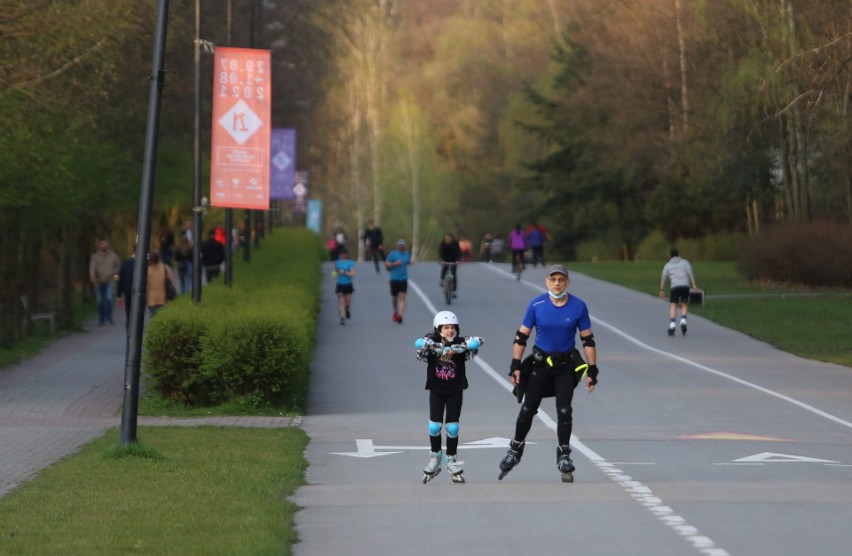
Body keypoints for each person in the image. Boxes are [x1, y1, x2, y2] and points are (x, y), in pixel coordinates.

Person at [498, 264, 599, 483]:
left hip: (564, 368)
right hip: (539, 366)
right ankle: (515, 449)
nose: (557, 283)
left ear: (567, 282)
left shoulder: (578, 306)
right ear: (547, 281)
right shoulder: (536, 304)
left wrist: (592, 370)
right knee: (528, 409)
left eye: (561, 279)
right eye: (553, 279)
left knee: (564, 410)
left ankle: (564, 455)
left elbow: (587, 340)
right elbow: (521, 337)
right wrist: (515, 365)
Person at [414, 311, 484, 484]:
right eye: (446, 328)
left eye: (453, 328)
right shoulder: (433, 343)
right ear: (438, 329)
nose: (450, 331)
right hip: (436, 389)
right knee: (434, 426)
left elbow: (479, 340)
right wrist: (430, 344)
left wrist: (465, 346)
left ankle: (451, 460)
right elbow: (418, 342)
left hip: (455, 389)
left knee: (452, 427)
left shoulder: (461, 342)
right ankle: (434, 457)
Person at [659, 247, 698, 336]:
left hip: (675, 286)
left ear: (670, 255)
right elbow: (690, 272)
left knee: (673, 305)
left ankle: (672, 325)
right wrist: (694, 284)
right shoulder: (685, 262)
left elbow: (663, 277)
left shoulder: (668, 265)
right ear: (678, 254)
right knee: (684, 304)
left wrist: (662, 290)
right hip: (685, 285)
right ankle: (683, 320)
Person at [89, 239, 121, 326]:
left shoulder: (113, 255)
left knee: (109, 298)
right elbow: (92, 268)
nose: (104, 246)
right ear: (99, 246)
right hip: (98, 282)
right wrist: (93, 277)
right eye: (102, 245)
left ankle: (109, 317)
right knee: (100, 301)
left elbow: (118, 266)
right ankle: (101, 318)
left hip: (109, 281)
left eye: (105, 244)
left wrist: (112, 273)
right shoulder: (95, 256)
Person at [385, 239, 412, 324]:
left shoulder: (407, 254)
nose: (401, 247)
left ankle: (400, 315)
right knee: (394, 298)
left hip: (403, 278)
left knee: (403, 296)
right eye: (400, 245)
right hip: (394, 278)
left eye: (402, 245)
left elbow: (407, 262)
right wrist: (395, 264)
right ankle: (395, 311)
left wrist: (410, 262)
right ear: (397, 246)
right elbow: (387, 264)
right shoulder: (393, 254)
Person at [146, 251, 177, 318]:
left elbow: (147, 287)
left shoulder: (148, 271)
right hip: (164, 298)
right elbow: (172, 281)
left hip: (152, 300)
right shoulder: (165, 268)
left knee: (154, 320)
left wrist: (146, 299)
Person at [333, 247, 356, 325]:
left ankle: (346, 309)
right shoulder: (337, 262)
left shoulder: (350, 263)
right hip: (340, 285)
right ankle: (342, 318)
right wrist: (335, 273)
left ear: (346, 255)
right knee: (341, 302)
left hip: (348, 285)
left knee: (348, 303)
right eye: (341, 254)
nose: (342, 255)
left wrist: (344, 272)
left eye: (344, 254)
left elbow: (353, 274)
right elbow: (335, 273)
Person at [116, 249, 135, 331]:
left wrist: (119, 295)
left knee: (129, 312)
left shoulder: (125, 264)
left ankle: (129, 328)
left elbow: (120, 280)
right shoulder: (144, 264)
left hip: (128, 292)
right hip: (141, 293)